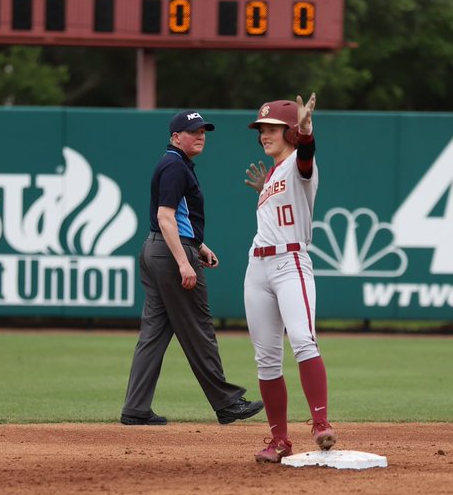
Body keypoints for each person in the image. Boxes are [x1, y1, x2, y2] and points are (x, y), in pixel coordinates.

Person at [120, 109, 265, 427]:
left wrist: (198, 245)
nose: (201, 135)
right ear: (175, 137)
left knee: (154, 332)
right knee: (199, 328)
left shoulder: (175, 163)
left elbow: (174, 219)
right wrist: (185, 261)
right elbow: (165, 216)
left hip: (157, 248)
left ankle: (135, 408)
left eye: (203, 131)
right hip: (170, 253)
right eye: (193, 131)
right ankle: (226, 403)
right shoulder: (174, 165)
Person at [241, 92, 336, 464]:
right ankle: (279, 440)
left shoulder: (299, 162)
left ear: (291, 132)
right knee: (266, 359)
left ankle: (320, 423)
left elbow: (307, 159)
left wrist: (307, 132)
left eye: (273, 128)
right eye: (262, 128)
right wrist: (265, 189)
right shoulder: (275, 175)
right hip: (257, 267)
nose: (265, 134)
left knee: (302, 339)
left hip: (290, 263)